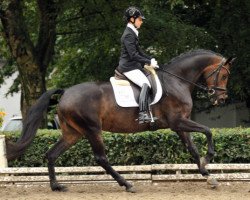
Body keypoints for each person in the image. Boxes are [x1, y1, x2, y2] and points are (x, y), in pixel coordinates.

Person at [117, 6, 159, 124]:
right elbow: (133, 55)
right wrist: (148, 62)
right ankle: (142, 114)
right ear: (132, 19)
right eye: (140, 19)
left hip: (133, 65)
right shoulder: (128, 34)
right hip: (128, 67)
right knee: (146, 84)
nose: (141, 22)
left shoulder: (132, 32)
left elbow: (139, 52)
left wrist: (151, 58)